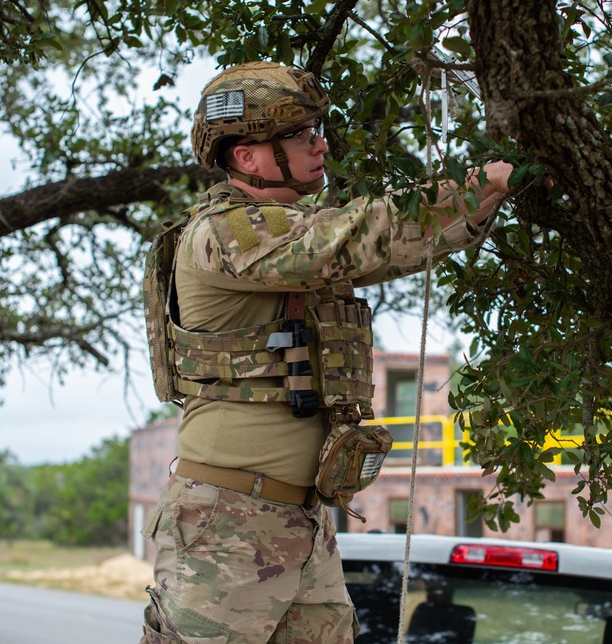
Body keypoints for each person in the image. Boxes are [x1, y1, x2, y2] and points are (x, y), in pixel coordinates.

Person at [140, 61, 515, 644]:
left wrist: (486, 199)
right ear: (246, 157)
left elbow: (385, 247)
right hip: (227, 521)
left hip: (304, 520)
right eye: (297, 135)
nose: (320, 144)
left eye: (316, 129)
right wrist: (472, 189)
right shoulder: (226, 234)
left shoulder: (296, 230)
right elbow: (353, 238)